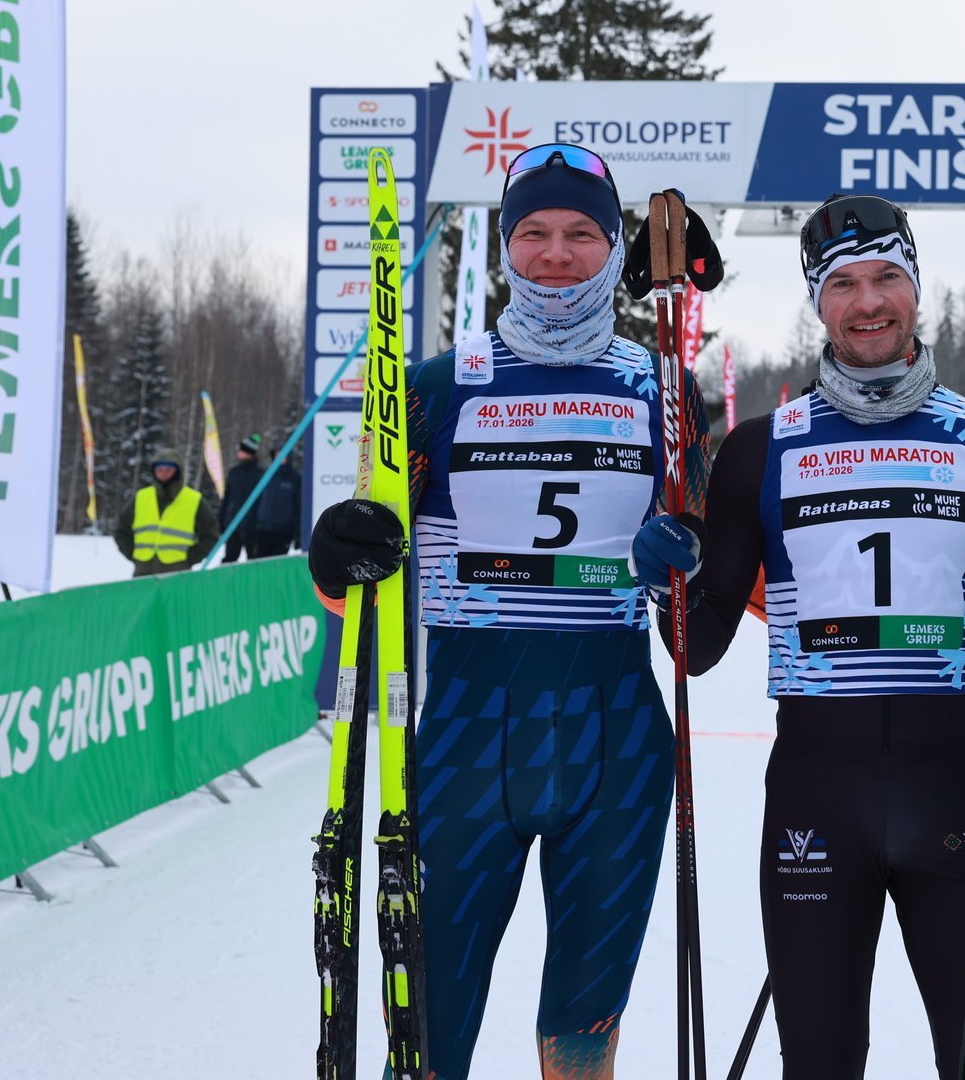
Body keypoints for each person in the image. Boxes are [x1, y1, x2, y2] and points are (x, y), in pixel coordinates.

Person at [304, 144, 711, 1080]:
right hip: (460, 737)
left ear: (613, 251)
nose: (556, 254)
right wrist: (338, 553)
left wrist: (675, 563)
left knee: (583, 1022)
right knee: (432, 1014)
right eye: (533, 233)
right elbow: (354, 584)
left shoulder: (663, 391)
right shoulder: (436, 387)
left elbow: (700, 598)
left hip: (613, 738)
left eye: (580, 234)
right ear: (503, 248)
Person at [651, 194, 965, 1080]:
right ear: (819, 303)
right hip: (817, 802)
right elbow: (699, 648)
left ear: (917, 290)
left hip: (957, 795)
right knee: (819, 1060)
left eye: (888, 277)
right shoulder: (761, 451)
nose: (868, 301)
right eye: (843, 284)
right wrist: (675, 581)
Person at [114, 449, 219, 577]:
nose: (163, 474)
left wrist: (192, 558)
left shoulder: (194, 500)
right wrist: (132, 554)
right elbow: (121, 530)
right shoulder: (141, 497)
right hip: (143, 573)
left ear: (178, 471)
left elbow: (211, 534)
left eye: (168, 470)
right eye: (159, 470)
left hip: (178, 572)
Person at [245, 445, 300, 557]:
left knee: (277, 565)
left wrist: (297, 533)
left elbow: (299, 507)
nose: (279, 457)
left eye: (282, 455)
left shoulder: (295, 478)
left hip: (283, 531)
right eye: (277, 455)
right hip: (263, 529)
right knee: (260, 563)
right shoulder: (266, 475)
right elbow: (256, 501)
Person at [217, 435, 265, 562]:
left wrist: (259, 522)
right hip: (233, 523)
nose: (238, 453)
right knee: (230, 558)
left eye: (241, 450)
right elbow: (227, 498)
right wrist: (221, 520)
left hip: (252, 526)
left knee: (254, 560)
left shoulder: (260, 474)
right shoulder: (234, 472)